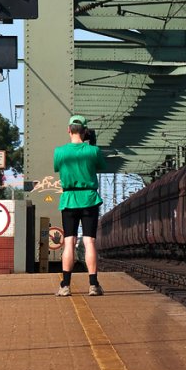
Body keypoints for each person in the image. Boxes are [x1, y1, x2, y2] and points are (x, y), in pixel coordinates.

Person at [53, 115, 108, 296]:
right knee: (89, 241)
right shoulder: (93, 151)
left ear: (69, 130)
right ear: (85, 131)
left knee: (69, 241)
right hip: (89, 199)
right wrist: (91, 144)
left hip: (69, 199)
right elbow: (100, 165)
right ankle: (93, 285)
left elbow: (57, 167)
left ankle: (65, 286)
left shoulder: (59, 152)